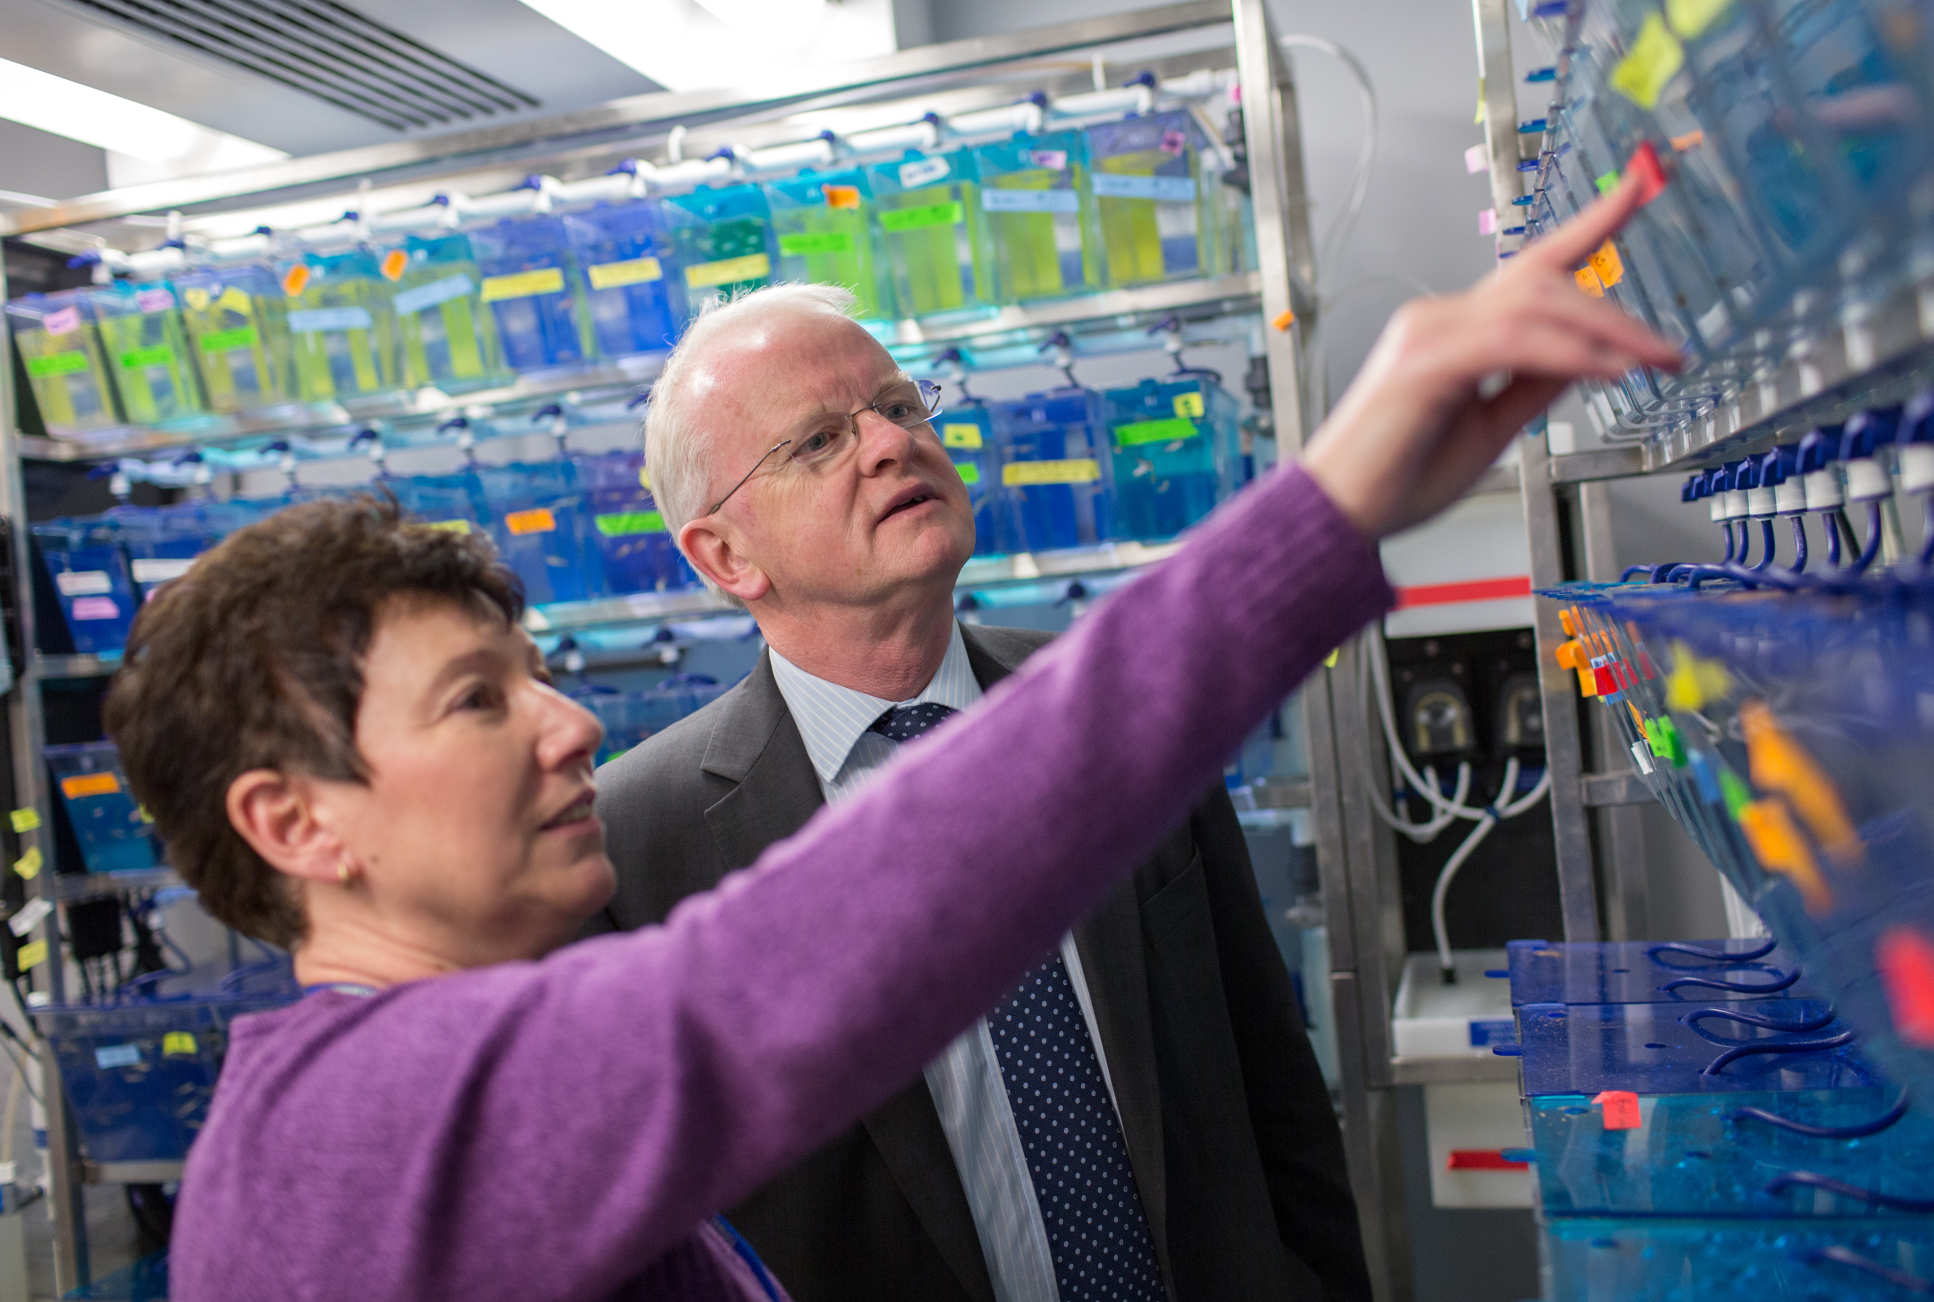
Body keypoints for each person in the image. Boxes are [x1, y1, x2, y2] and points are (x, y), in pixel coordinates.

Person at [105, 177, 1673, 1302]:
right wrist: (1325, 506)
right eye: (477, 700)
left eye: (536, 673)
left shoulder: (412, 1083)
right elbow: (798, 964)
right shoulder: (373, 1129)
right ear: (296, 822)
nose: (572, 721)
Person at [589, 293, 1363, 1301]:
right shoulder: (633, 842)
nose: (887, 445)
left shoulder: (1116, 699)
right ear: (725, 556)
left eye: (900, 408)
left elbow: (1274, 1087)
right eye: (819, 440)